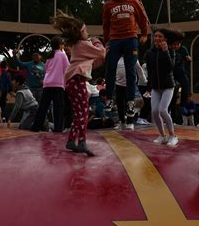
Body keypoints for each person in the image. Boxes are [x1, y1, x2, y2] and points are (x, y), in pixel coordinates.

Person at [54, 10, 105, 156]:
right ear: (80, 32)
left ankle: (71, 141)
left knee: (79, 113)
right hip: (77, 80)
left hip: (73, 81)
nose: (87, 33)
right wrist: (97, 41)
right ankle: (82, 142)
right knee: (83, 112)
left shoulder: (78, 45)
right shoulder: (83, 44)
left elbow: (92, 63)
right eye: (86, 30)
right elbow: (101, 53)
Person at [102, 0, 148, 119]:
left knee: (130, 70)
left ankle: (130, 102)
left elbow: (142, 18)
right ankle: (109, 99)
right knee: (111, 67)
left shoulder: (134, 2)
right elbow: (105, 24)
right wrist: (106, 42)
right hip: (115, 40)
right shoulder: (108, 5)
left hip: (130, 39)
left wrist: (144, 33)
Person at [145, 28, 182, 147]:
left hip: (168, 86)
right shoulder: (150, 53)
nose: (157, 38)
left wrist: (165, 51)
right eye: (155, 36)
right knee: (154, 111)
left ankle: (173, 135)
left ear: (165, 39)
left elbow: (171, 67)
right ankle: (162, 135)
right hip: (155, 87)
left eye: (160, 36)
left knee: (163, 110)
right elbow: (150, 72)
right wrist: (148, 87)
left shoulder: (170, 50)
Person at [31, 36, 70, 133]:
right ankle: (58, 128)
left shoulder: (49, 56)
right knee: (58, 107)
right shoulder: (62, 55)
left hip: (47, 84)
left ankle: (36, 126)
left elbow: (45, 69)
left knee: (43, 106)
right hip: (58, 84)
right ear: (61, 45)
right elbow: (68, 68)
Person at [114, 56, 147, 131]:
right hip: (119, 84)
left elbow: (139, 70)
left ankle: (130, 122)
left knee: (130, 104)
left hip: (130, 85)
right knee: (120, 104)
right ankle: (122, 122)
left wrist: (144, 80)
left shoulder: (133, 58)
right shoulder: (117, 58)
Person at [172, 39, 192, 111]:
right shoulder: (169, 49)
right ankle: (171, 106)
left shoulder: (183, 49)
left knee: (186, 83)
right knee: (173, 91)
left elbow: (187, 56)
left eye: (177, 45)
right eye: (174, 45)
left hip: (180, 71)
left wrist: (188, 58)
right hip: (172, 72)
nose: (176, 46)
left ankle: (183, 103)